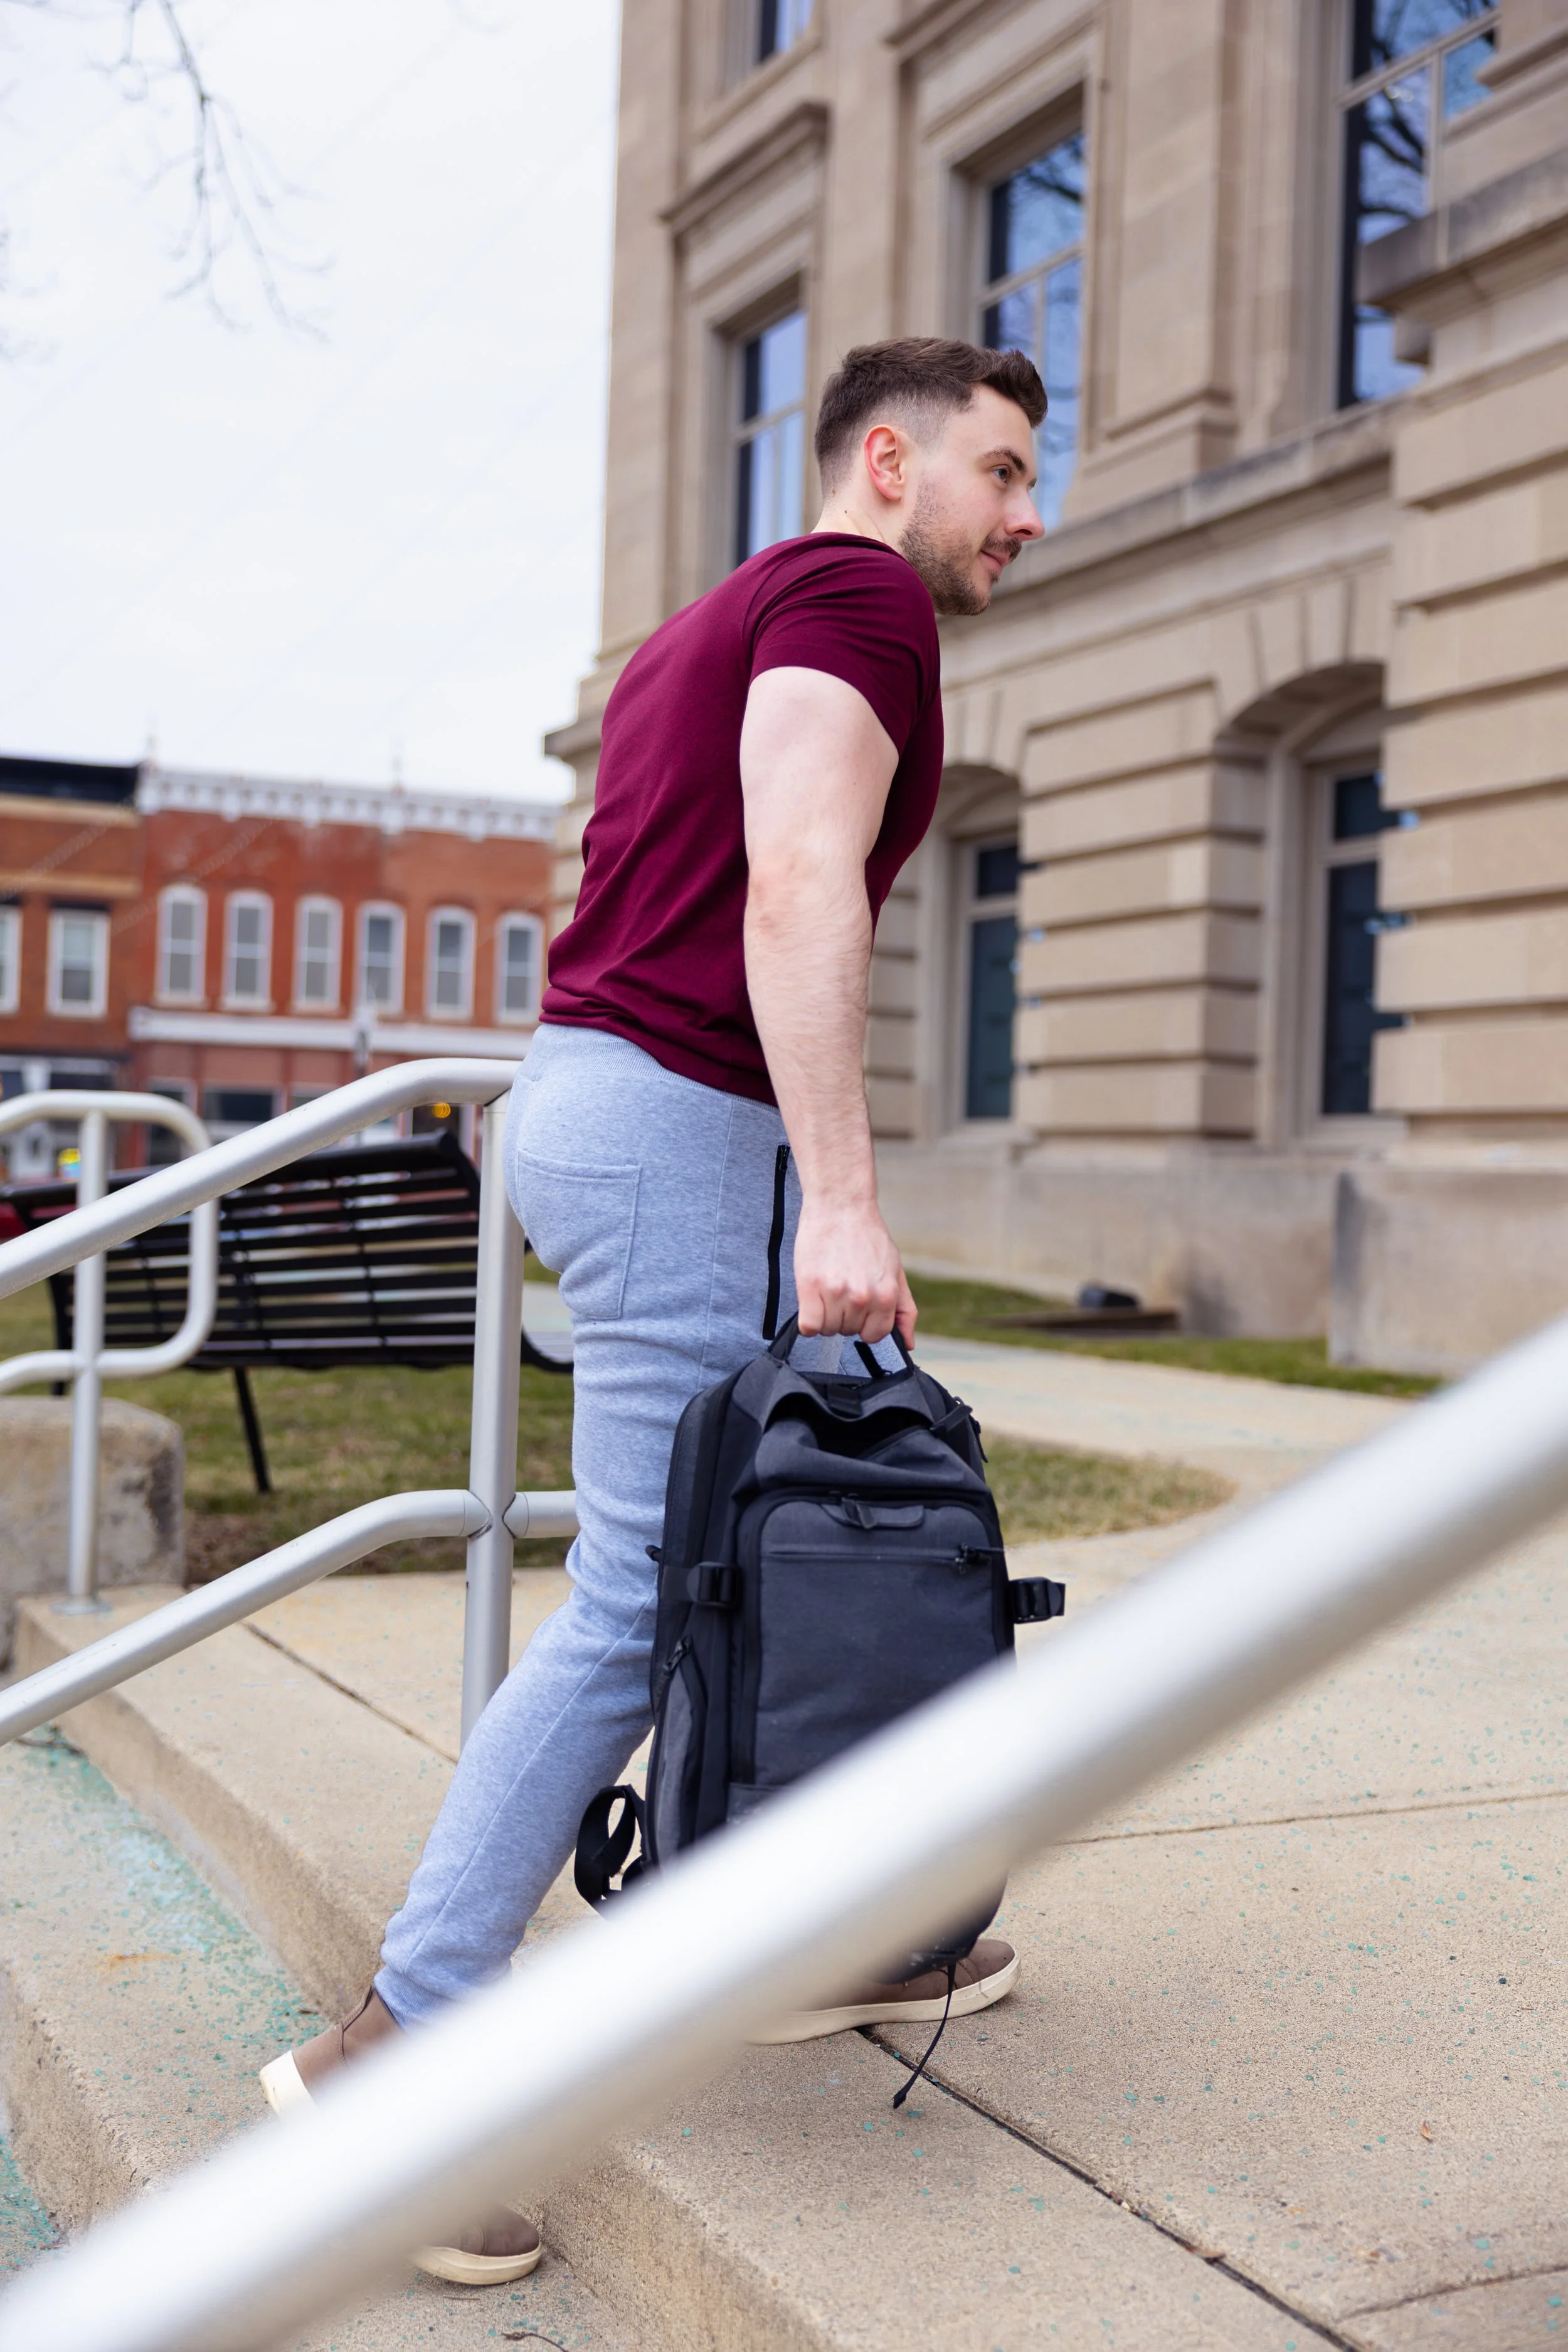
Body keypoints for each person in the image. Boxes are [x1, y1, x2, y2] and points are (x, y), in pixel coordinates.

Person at [259, 336, 1047, 2285]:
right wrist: (842, 1193)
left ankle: (833, 1921)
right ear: (889, 459)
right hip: (693, 1127)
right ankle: (397, 2054)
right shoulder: (858, 596)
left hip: (638, 1111)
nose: (1027, 515)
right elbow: (798, 885)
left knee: (811, 1537)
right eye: (1004, 472)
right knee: (639, 1594)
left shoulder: (717, 621)